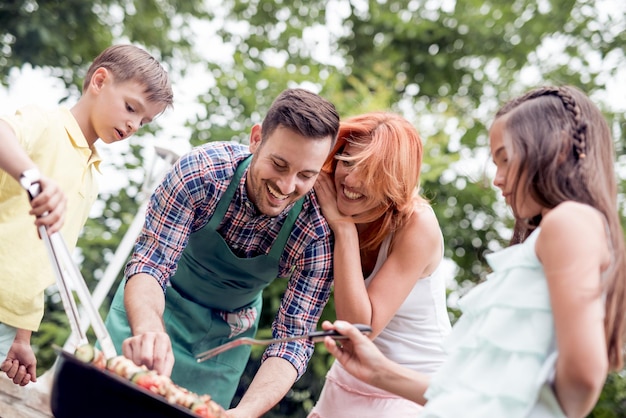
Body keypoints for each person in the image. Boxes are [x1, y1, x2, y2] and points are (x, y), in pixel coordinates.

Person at [320, 85, 626, 418]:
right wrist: (380, 371)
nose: (496, 179)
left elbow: (582, 379)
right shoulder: (549, 235)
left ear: (557, 149)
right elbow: (483, 394)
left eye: (505, 160)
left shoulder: (568, 221)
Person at [103, 88, 340, 415]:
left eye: (305, 175)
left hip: (225, 340)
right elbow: (151, 264)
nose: (286, 187)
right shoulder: (201, 172)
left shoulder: (315, 234)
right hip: (153, 306)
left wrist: (243, 414)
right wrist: (148, 331)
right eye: (279, 164)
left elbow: (293, 342)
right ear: (256, 138)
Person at [0, 44, 174, 387]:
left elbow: (45, 261)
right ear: (99, 81)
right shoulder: (47, 123)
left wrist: (21, 337)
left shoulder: (92, 174)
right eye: (130, 108)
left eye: (144, 121)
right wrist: (32, 178)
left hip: (9, 326)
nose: (134, 124)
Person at [308, 112, 451, 417]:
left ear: (394, 180)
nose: (352, 180)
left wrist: (344, 229)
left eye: (370, 171)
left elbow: (357, 329)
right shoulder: (329, 195)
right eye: (348, 162)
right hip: (352, 374)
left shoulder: (416, 223)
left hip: (411, 387)